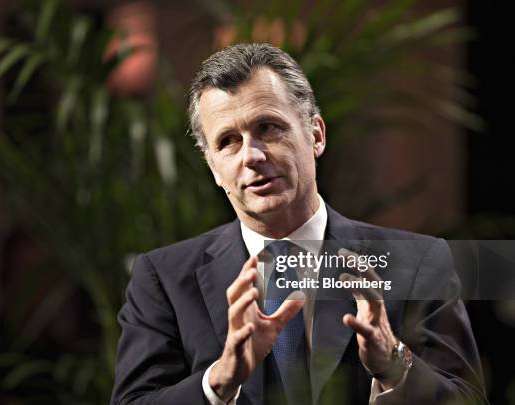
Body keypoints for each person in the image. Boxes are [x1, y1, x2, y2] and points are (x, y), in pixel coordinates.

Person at [111, 43, 487, 405]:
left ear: (316, 135)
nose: (252, 155)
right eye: (228, 141)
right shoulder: (163, 278)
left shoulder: (419, 261)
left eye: (268, 128)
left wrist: (394, 363)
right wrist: (220, 379)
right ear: (213, 168)